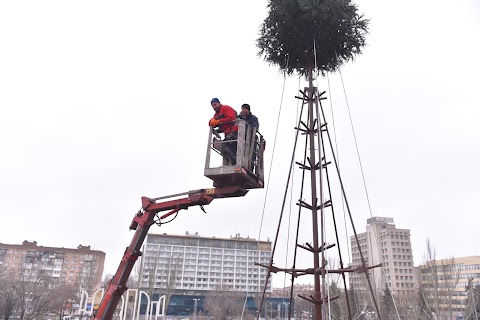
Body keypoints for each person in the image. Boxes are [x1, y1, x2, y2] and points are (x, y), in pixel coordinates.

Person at [209, 98, 238, 165]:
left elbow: (231, 118)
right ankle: (230, 163)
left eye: (215, 104)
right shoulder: (216, 115)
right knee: (225, 148)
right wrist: (212, 123)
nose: (214, 107)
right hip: (227, 133)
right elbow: (211, 122)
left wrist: (219, 121)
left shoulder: (226, 108)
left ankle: (234, 162)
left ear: (219, 103)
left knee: (226, 146)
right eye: (212, 106)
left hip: (234, 132)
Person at [238, 103, 260, 171]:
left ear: (248, 110)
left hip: (251, 139)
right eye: (242, 108)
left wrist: (246, 129)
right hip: (240, 138)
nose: (243, 110)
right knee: (238, 151)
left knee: (251, 154)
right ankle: (238, 164)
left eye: (245, 109)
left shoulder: (253, 118)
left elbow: (255, 128)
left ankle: (250, 168)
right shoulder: (238, 118)